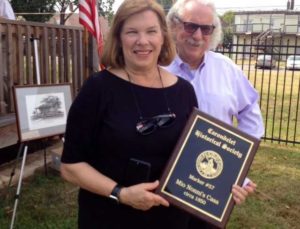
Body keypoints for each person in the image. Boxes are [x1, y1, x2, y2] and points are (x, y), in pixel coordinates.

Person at [60, 0, 198, 228]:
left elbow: (193, 157)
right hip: (110, 217)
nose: (142, 41)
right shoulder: (98, 89)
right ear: (119, 38)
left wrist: (224, 185)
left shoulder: (184, 91)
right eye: (132, 32)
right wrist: (121, 193)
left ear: (163, 36)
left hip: (170, 219)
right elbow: (70, 167)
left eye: (151, 31)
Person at [165, 0, 264, 227]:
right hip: (164, 187)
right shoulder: (157, 68)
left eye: (206, 28)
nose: (198, 35)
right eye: (190, 26)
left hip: (211, 192)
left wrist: (237, 170)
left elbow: (250, 113)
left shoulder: (227, 69)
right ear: (173, 26)